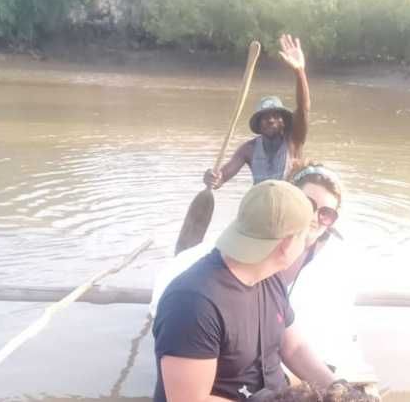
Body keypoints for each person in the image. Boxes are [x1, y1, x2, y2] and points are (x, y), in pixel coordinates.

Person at [150, 163, 374, 386]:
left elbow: (293, 346)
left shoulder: (271, 276)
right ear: (287, 244)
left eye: (326, 214)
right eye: (307, 209)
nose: (314, 220)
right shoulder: (192, 303)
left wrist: (338, 390)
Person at [204, 33, 310, 190]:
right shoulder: (248, 149)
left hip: (289, 207)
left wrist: (299, 71)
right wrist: (213, 179)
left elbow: (303, 108)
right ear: (258, 125)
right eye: (265, 117)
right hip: (261, 206)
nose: (271, 120)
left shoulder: (293, 140)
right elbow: (223, 177)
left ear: (283, 122)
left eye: (275, 116)